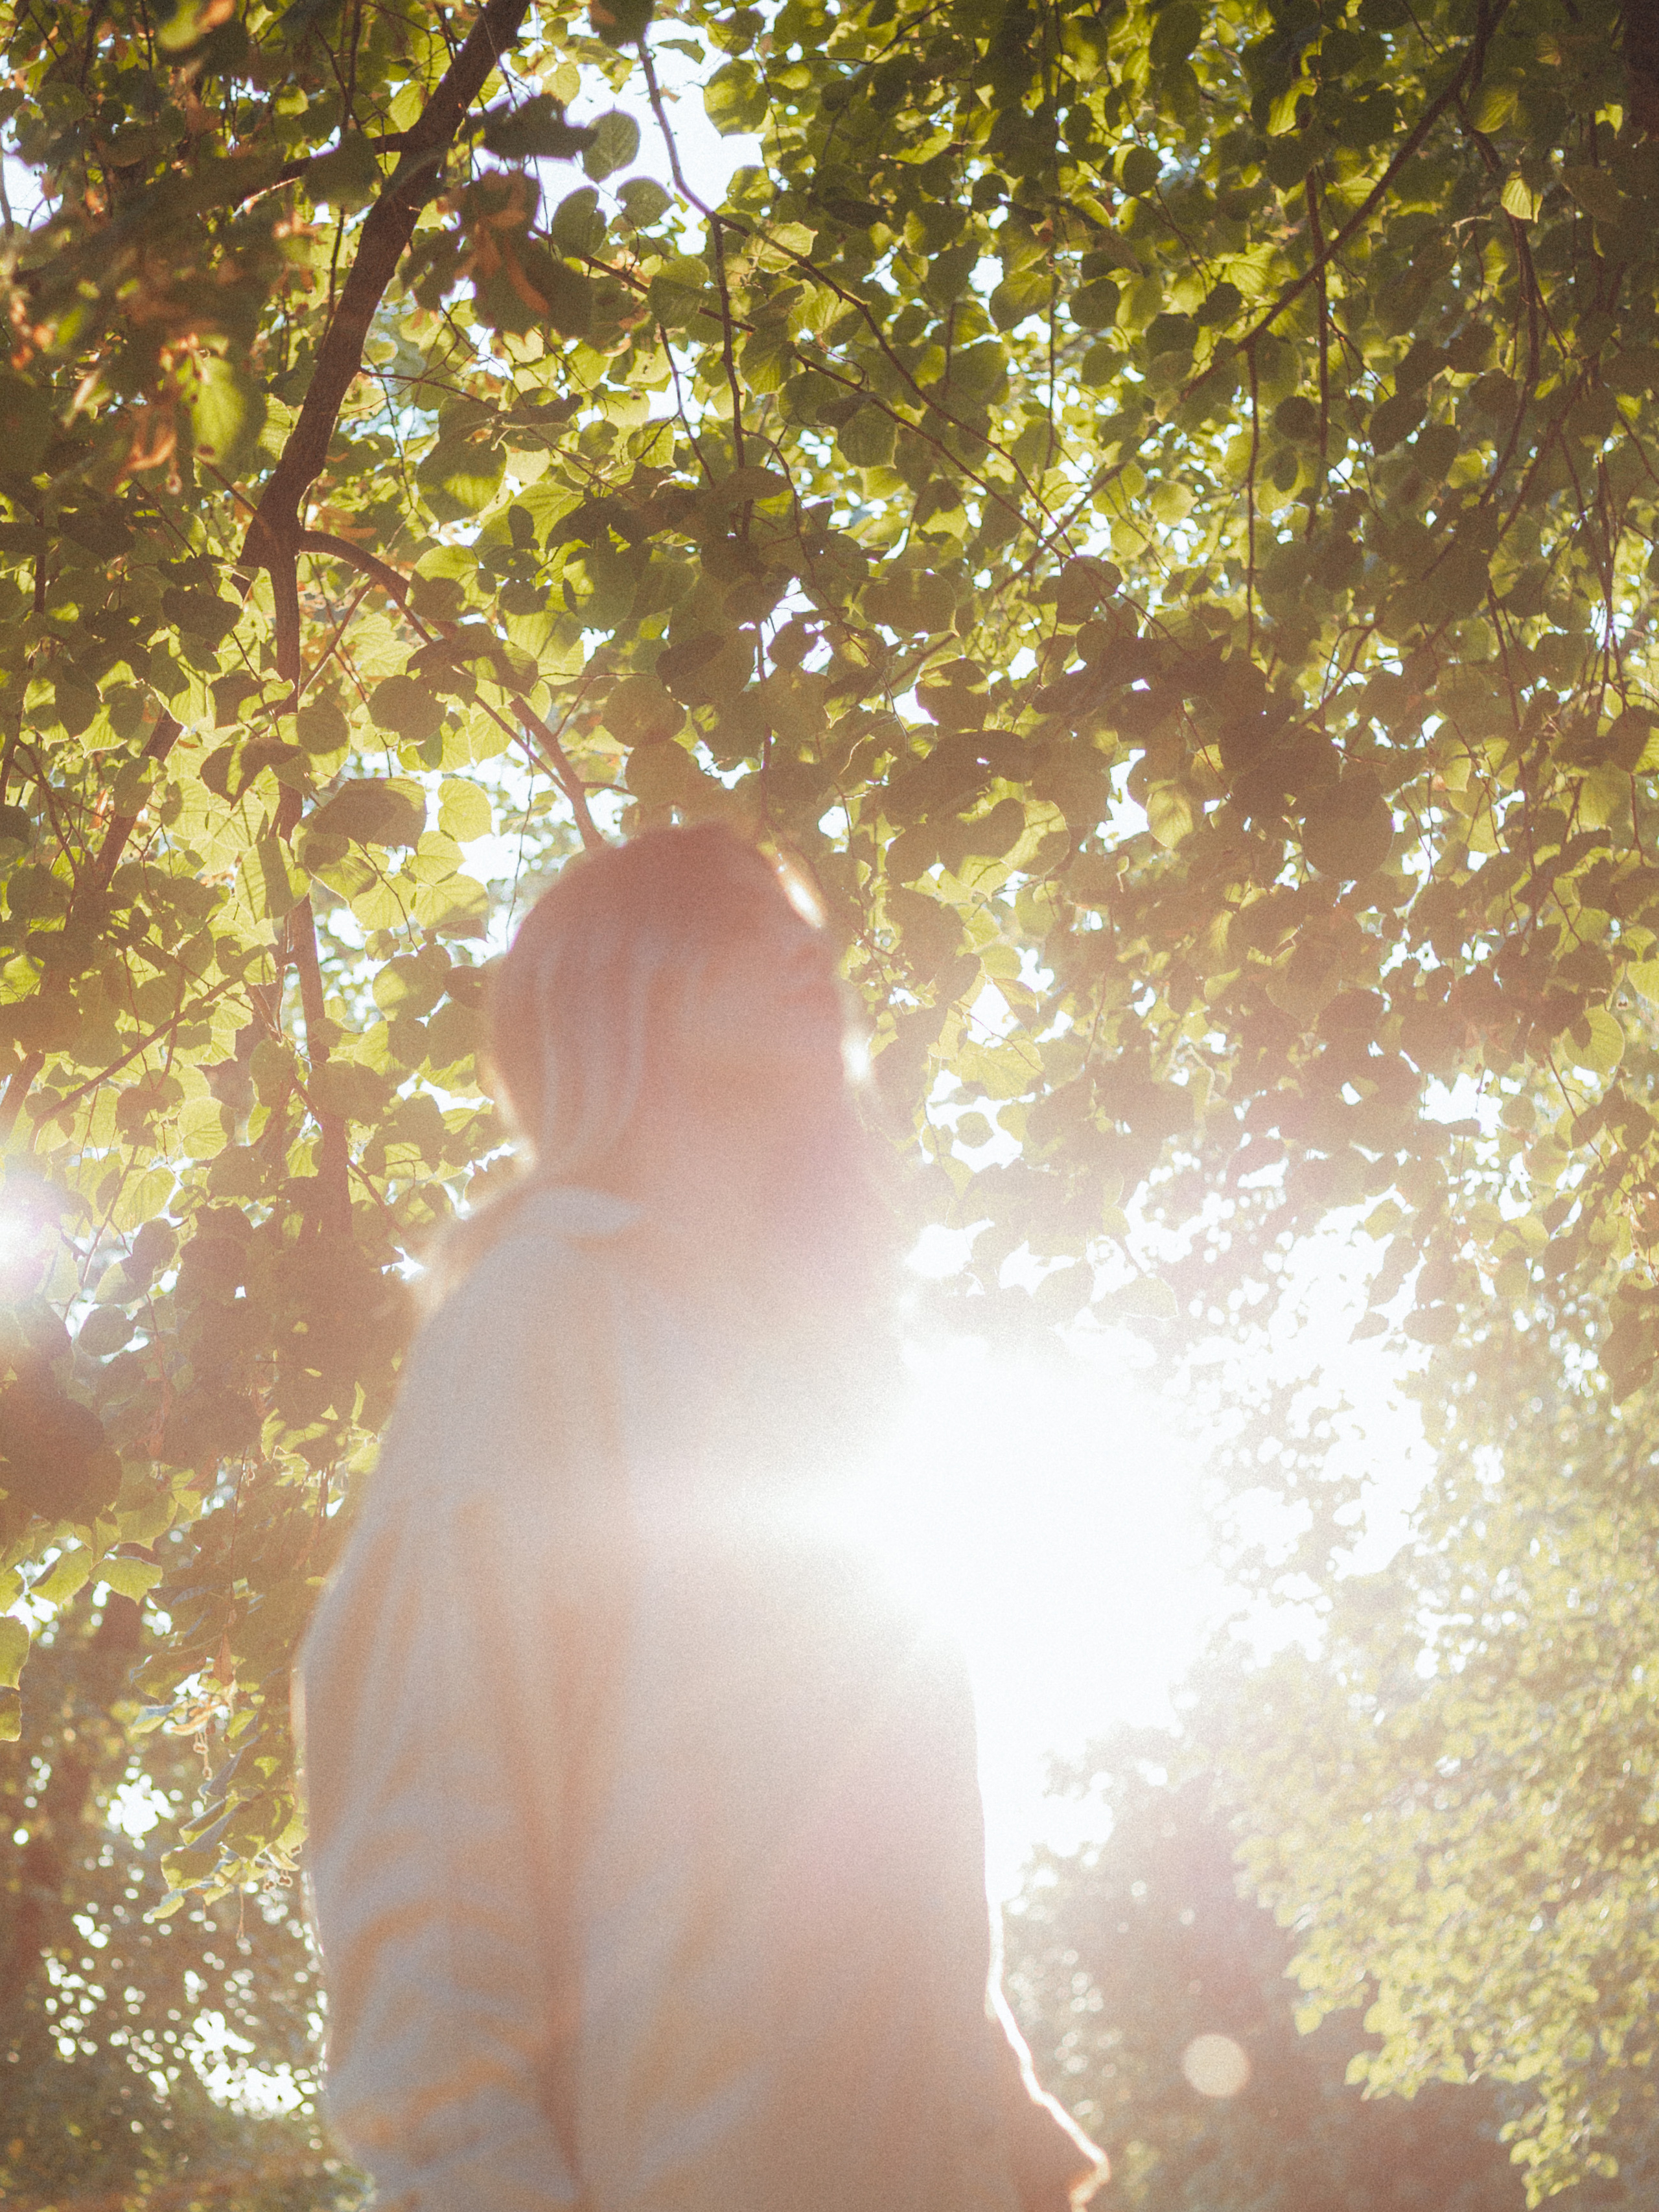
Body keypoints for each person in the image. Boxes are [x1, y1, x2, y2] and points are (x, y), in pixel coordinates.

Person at [296, 821, 1106, 2212]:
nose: (806, 948)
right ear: (614, 985)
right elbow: (432, 1856)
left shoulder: (841, 1379)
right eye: (741, 921)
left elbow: (850, 1845)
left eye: (806, 924)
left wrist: (1003, 2122)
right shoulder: (537, 1320)